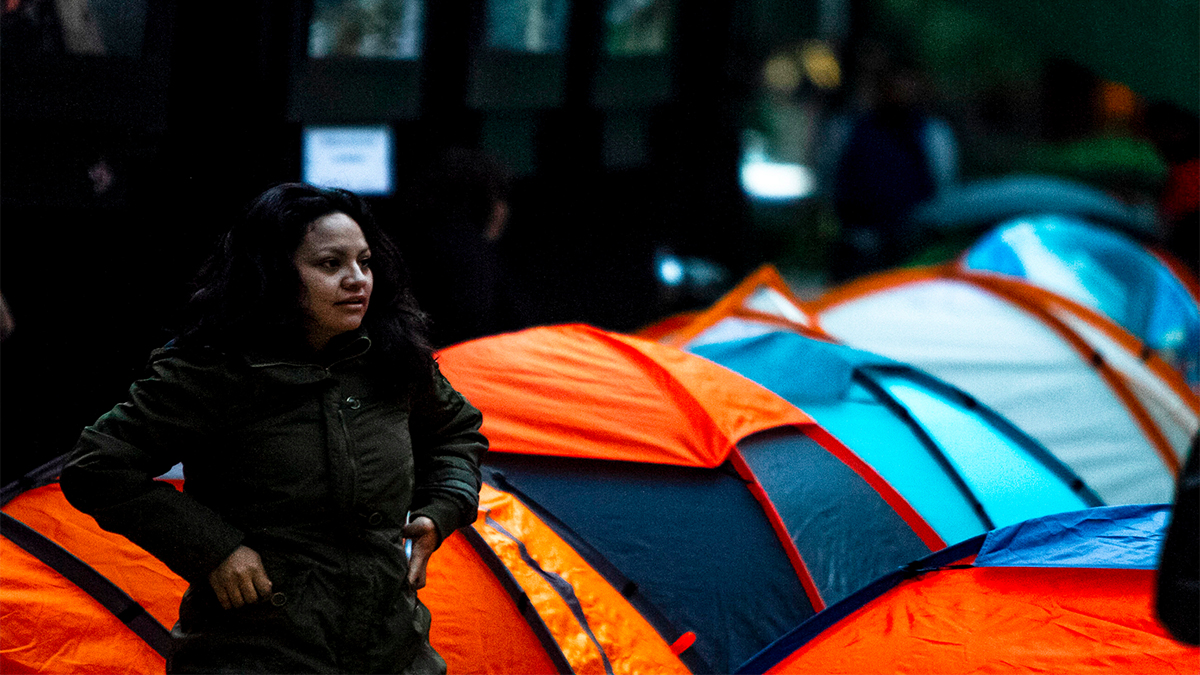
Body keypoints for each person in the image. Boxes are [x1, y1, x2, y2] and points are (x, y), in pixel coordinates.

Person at [60, 183, 488, 674]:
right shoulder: (212, 368)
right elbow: (98, 467)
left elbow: (457, 431)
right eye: (331, 265)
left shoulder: (393, 358)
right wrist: (215, 550)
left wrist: (443, 509)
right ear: (275, 273)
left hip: (394, 650)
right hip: (257, 653)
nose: (357, 280)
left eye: (365, 262)